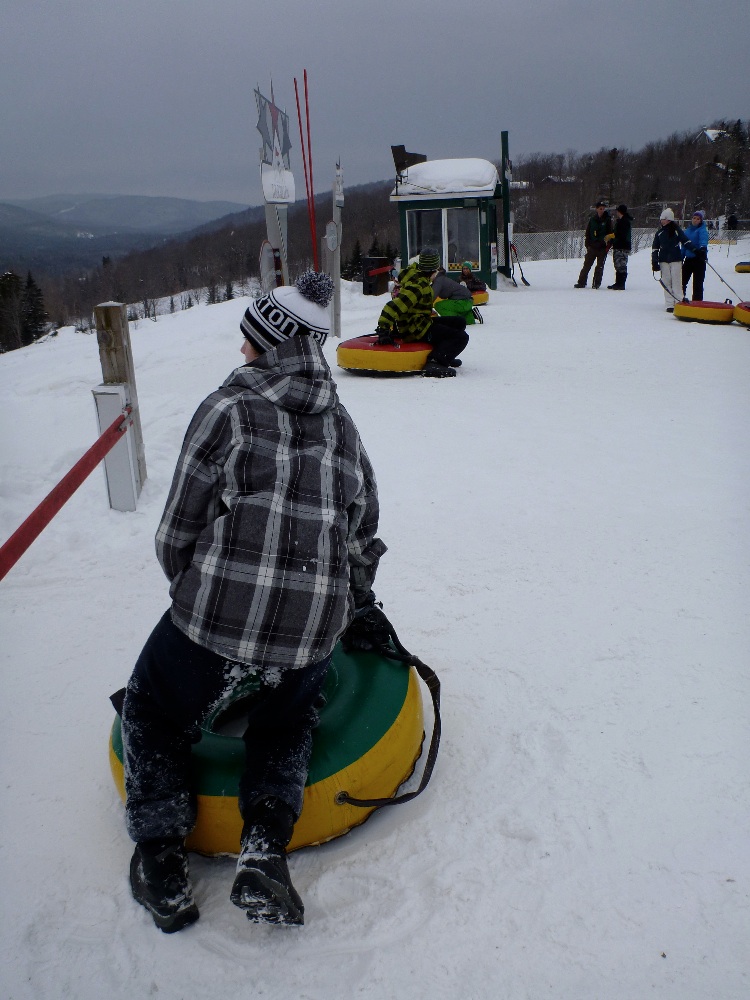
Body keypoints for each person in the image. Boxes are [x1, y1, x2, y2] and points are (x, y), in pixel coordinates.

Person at [120, 271, 392, 932]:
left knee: (151, 706)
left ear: (270, 344)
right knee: (285, 724)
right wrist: (354, 600)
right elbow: (362, 529)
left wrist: (195, 598)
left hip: (216, 617)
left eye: (249, 340)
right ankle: (264, 852)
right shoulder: (342, 425)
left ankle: (162, 860)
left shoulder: (227, 408)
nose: (241, 350)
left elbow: (177, 528)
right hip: (310, 628)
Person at [375, 248, 469, 378]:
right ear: (434, 268)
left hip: (420, 321)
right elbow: (392, 307)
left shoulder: (419, 276)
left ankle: (445, 353)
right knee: (461, 337)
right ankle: (434, 362)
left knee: (459, 322)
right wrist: (383, 329)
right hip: (414, 329)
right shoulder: (418, 286)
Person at [651, 208, 698, 312]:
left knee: (676, 281)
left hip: (676, 259)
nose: (661, 221)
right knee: (666, 281)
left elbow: (685, 241)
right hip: (663, 260)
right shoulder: (659, 233)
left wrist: (695, 250)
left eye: (663, 219)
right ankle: (669, 304)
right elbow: (655, 248)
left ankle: (678, 301)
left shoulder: (676, 231)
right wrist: (654, 261)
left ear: (669, 220)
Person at [574, 201, 614, 288]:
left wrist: (608, 245)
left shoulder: (607, 220)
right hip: (592, 247)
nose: (602, 210)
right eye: (600, 209)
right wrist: (587, 244)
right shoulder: (592, 220)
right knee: (586, 265)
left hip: (602, 248)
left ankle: (596, 283)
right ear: (597, 209)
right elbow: (588, 232)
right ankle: (581, 282)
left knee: (600, 267)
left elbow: (611, 233)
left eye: (603, 209)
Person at [681, 210, 709, 301]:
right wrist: (681, 257)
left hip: (699, 259)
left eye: (698, 219)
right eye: (694, 218)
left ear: (701, 221)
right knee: (682, 280)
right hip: (689, 259)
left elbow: (703, 240)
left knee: (698, 283)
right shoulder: (688, 231)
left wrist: (702, 248)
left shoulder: (702, 230)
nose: (695, 220)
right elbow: (684, 245)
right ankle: (680, 298)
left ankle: (697, 301)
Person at [607, 205, 633, 290]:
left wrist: (612, 236)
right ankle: (618, 282)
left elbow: (621, 234)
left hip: (622, 246)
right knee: (618, 264)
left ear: (620, 212)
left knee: (621, 264)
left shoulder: (624, 221)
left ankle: (621, 284)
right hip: (620, 245)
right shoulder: (622, 221)